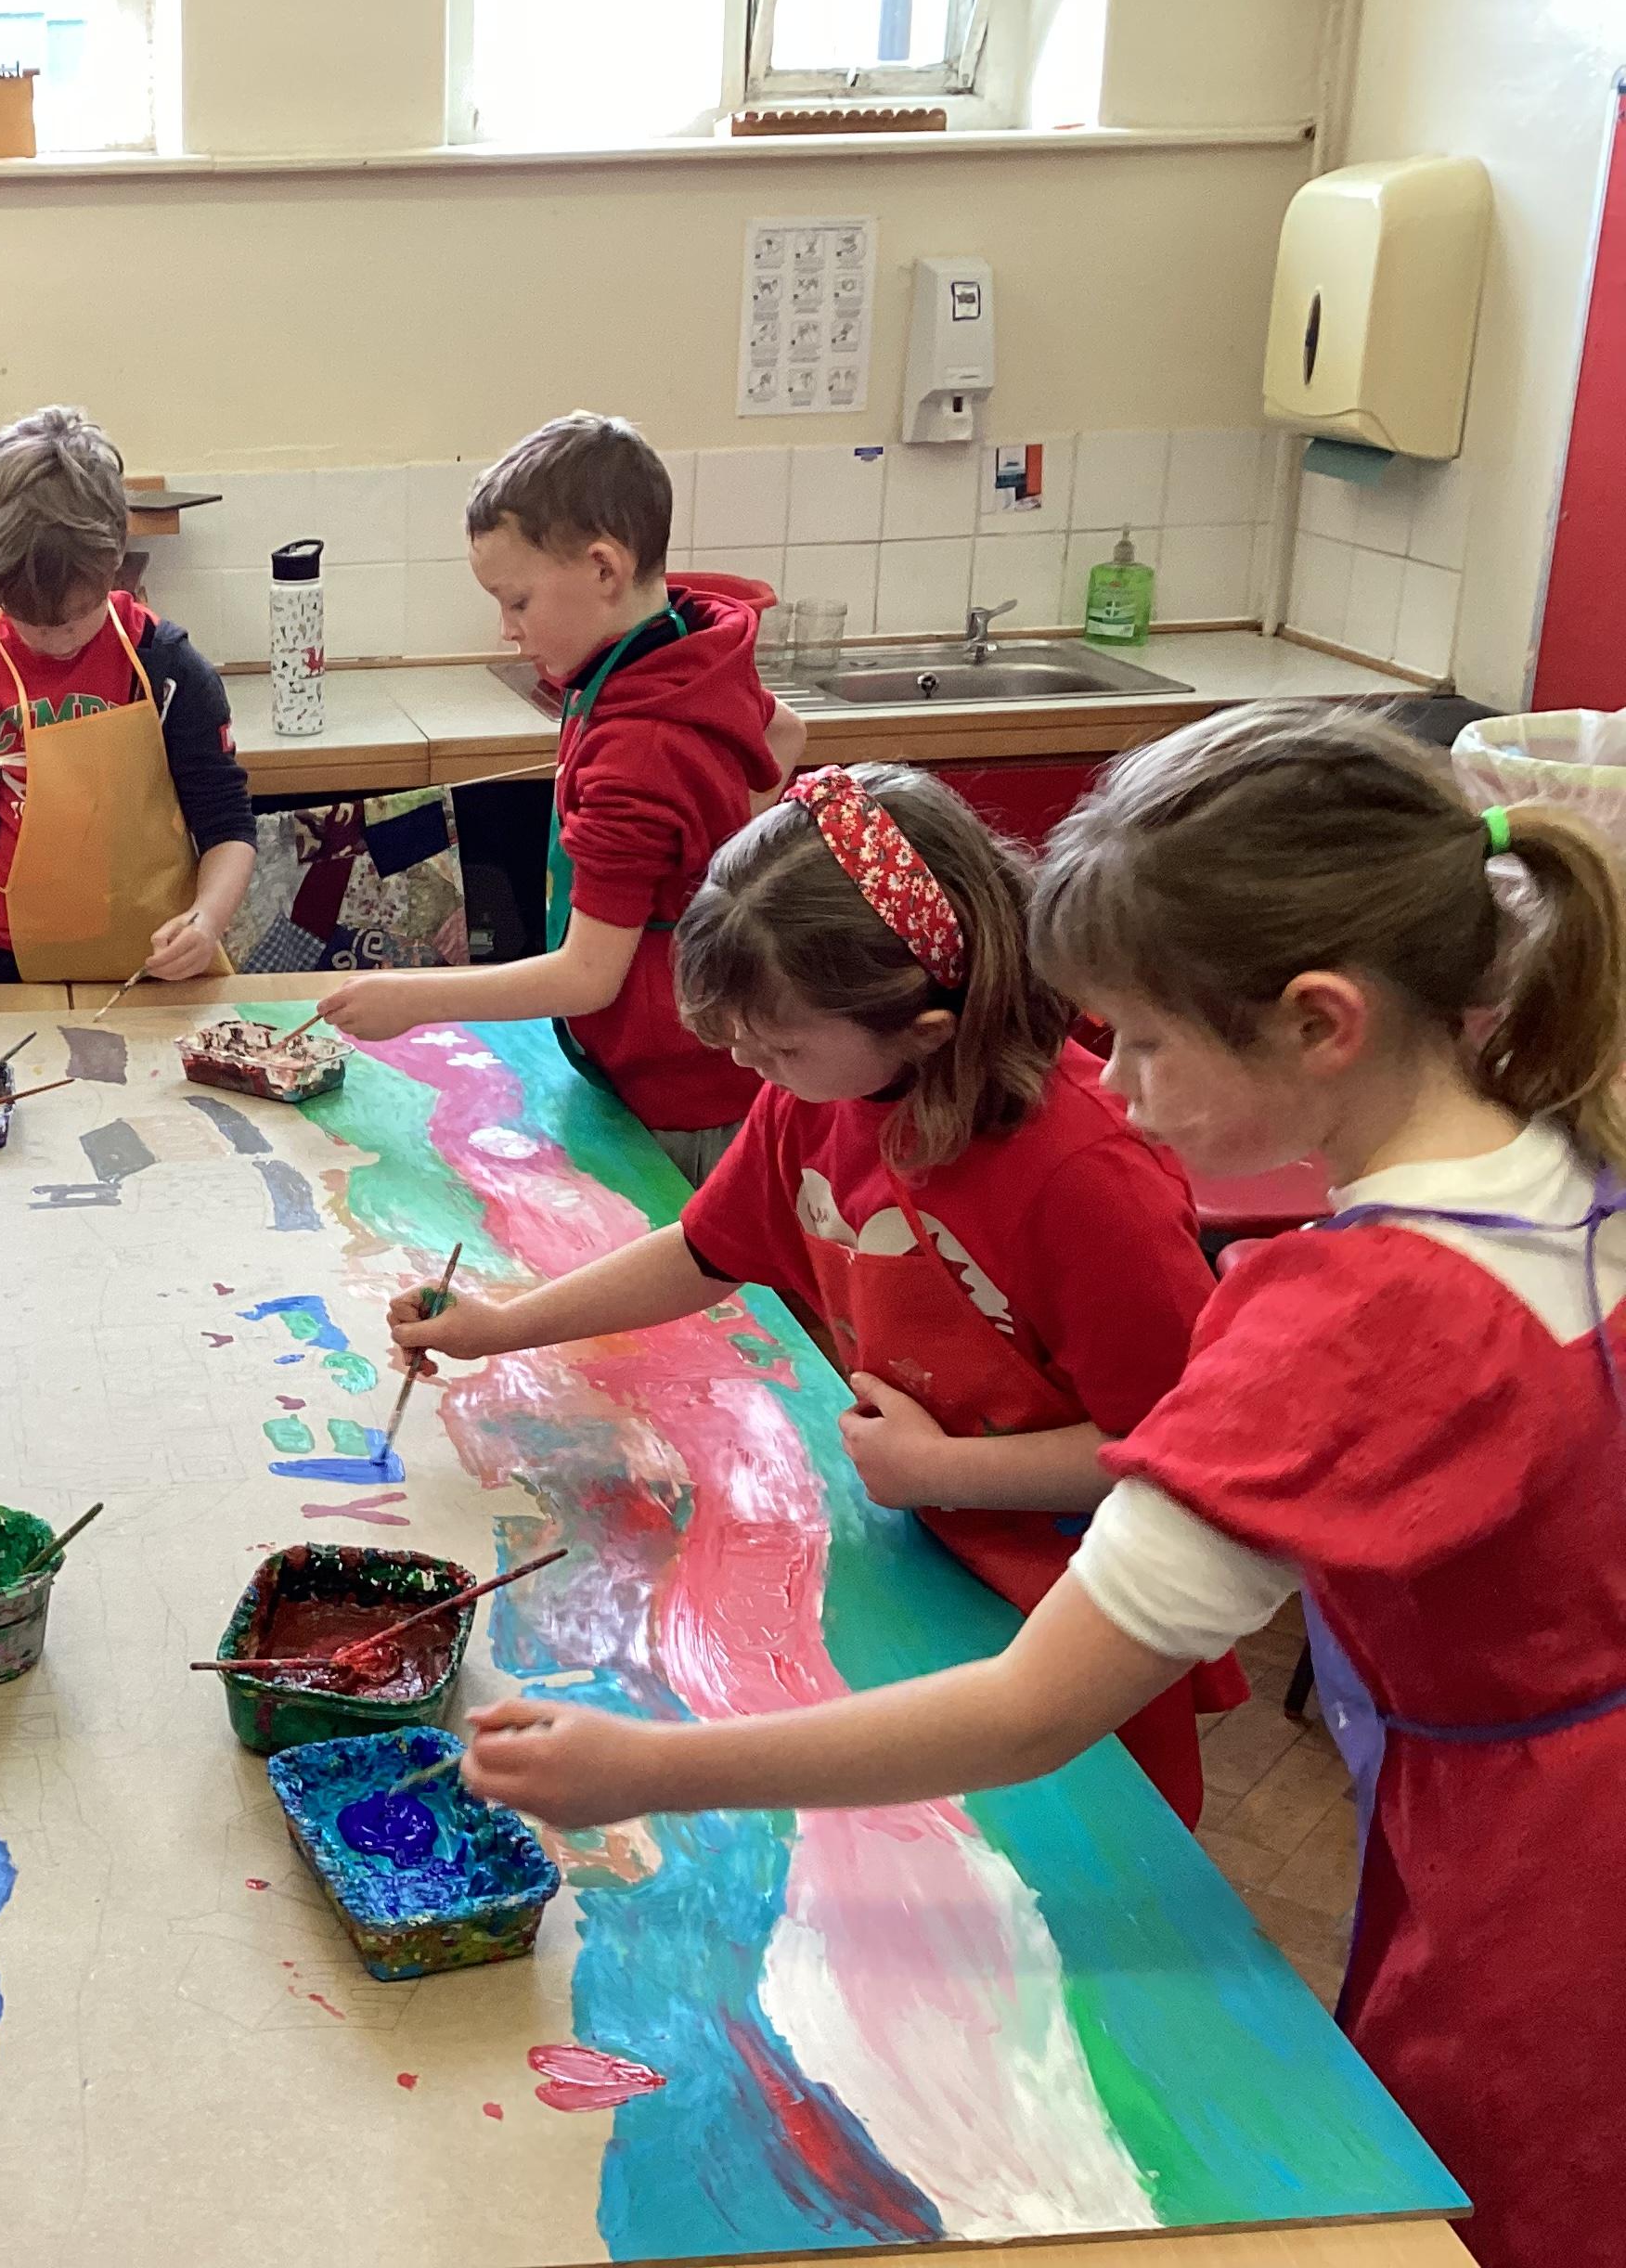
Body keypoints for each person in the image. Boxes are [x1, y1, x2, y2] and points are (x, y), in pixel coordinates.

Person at [450, 706, 1626, 2268]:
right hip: (1524, 1780)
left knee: (1496, 2199)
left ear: (1320, 1023)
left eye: (1141, 1037)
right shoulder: (1561, 1145)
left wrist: (647, 1767)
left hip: (1553, 1873)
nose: (1113, 1081)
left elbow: (1026, 1713)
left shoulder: (1354, 1312)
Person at [394, 764, 1241, 1823]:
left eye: (779, 1043)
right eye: (739, 1040)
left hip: (1076, 1618)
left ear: (925, 1027)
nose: (752, 1065)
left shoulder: (1087, 1179)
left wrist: (947, 1469)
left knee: (1071, 1863)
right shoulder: (823, 1093)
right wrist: (506, 1326)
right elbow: (705, 1249)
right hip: (925, 1551)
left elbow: (1182, 1457)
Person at [317, 414, 791, 1186]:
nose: (506, 630)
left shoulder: (638, 753)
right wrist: (729, 876)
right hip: (684, 1055)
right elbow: (785, 734)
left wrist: (412, 997)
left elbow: (586, 977)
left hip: (680, 1100)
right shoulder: (682, 652)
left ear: (604, 569)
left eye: (518, 601)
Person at [0, 406, 254, 998]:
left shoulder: (165, 666)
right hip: (6, 968)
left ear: (116, 557)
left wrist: (206, 919)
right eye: (30, 621)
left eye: (76, 618)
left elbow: (228, 822)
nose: (57, 640)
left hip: (156, 963)